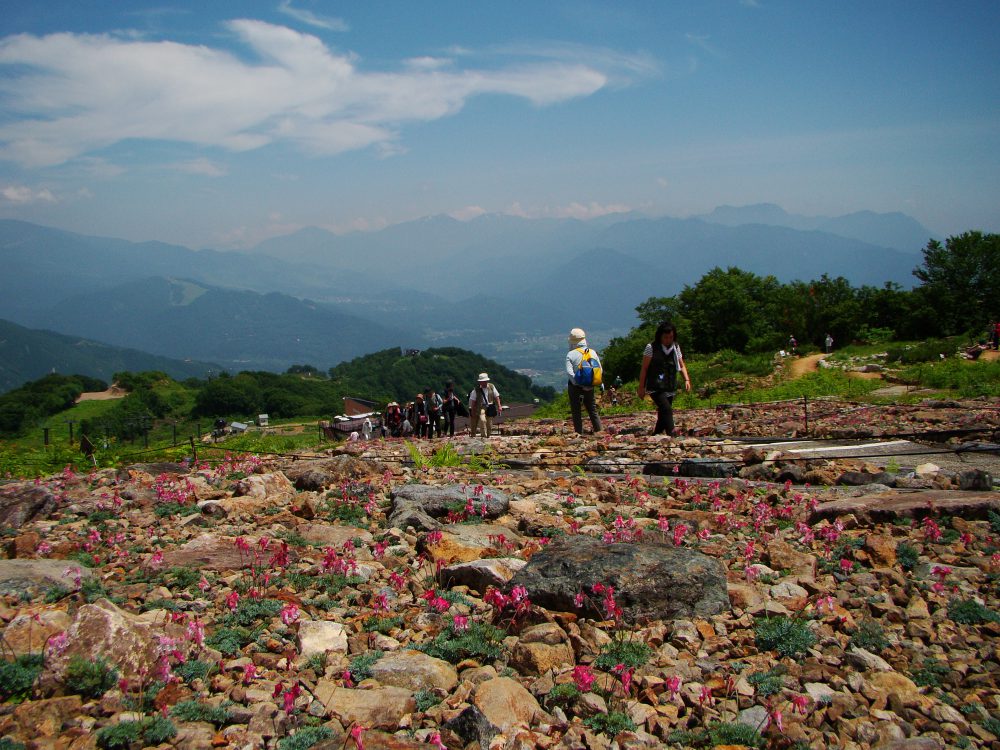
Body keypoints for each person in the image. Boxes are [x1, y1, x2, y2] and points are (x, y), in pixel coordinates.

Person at [637, 322, 691, 436]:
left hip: (669, 384)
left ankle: (657, 433)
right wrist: (641, 387)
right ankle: (672, 434)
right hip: (655, 385)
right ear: (660, 336)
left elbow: (681, 365)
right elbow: (645, 368)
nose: (668, 340)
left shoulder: (675, 347)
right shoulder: (651, 348)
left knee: (663, 412)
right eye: (665, 337)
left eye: (670, 337)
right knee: (666, 409)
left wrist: (686, 379)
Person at [565, 327, 602, 434]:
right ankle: (599, 431)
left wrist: (577, 384)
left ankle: (579, 433)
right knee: (592, 409)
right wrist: (590, 384)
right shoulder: (592, 352)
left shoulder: (570, 354)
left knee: (576, 411)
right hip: (590, 385)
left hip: (575, 387)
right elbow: (599, 369)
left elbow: (569, 373)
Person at [468, 372, 501, 437]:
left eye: (485, 381)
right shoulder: (476, 389)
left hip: (490, 406)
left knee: (489, 423)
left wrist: (499, 405)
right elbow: (473, 400)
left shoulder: (491, 386)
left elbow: (496, 396)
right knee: (482, 420)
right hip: (481, 407)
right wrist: (472, 410)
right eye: (482, 381)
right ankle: (484, 435)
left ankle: (488, 435)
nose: (483, 383)